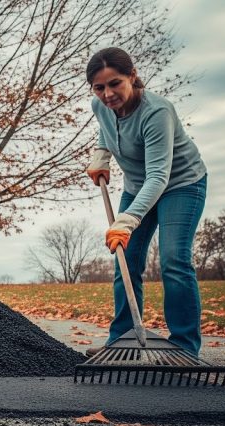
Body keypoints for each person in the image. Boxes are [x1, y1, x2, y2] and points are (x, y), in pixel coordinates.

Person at [84, 47, 207, 357]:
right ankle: (122, 339)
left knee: (173, 260)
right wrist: (102, 154)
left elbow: (159, 177)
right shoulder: (100, 107)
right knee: (126, 260)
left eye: (115, 83)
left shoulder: (157, 112)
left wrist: (127, 220)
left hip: (181, 184)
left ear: (132, 76)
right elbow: (107, 129)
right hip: (139, 186)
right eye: (100, 87)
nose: (108, 94)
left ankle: (184, 346)